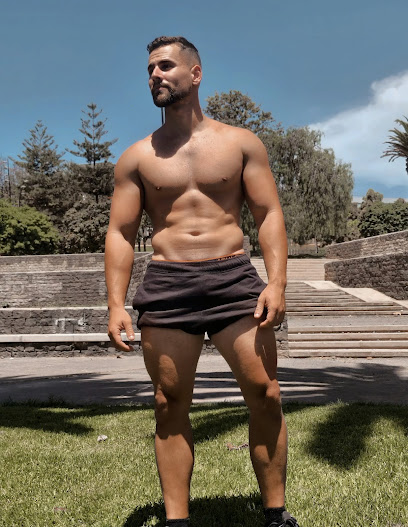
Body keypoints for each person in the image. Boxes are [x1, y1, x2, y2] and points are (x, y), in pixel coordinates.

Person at [105, 36, 299, 527]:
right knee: (168, 403)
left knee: (267, 394)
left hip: (232, 277)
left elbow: (268, 213)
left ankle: (276, 515)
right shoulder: (136, 158)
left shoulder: (240, 143)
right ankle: (177, 521)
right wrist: (115, 304)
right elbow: (121, 233)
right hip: (168, 282)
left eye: (165, 65)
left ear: (195, 74)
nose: (155, 74)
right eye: (150, 69)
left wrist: (276, 282)